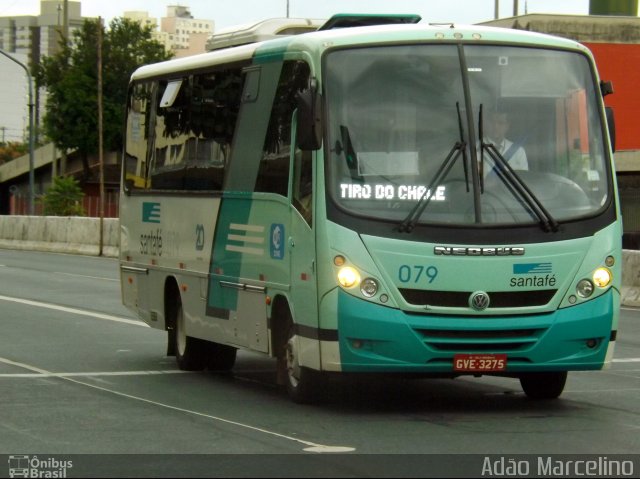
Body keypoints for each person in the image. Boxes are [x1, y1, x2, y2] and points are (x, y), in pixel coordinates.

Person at [481, 109, 528, 177]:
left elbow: (523, 179)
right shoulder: (475, 149)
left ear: (507, 126)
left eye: (500, 123)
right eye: (492, 122)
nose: (495, 127)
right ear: (486, 124)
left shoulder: (518, 151)